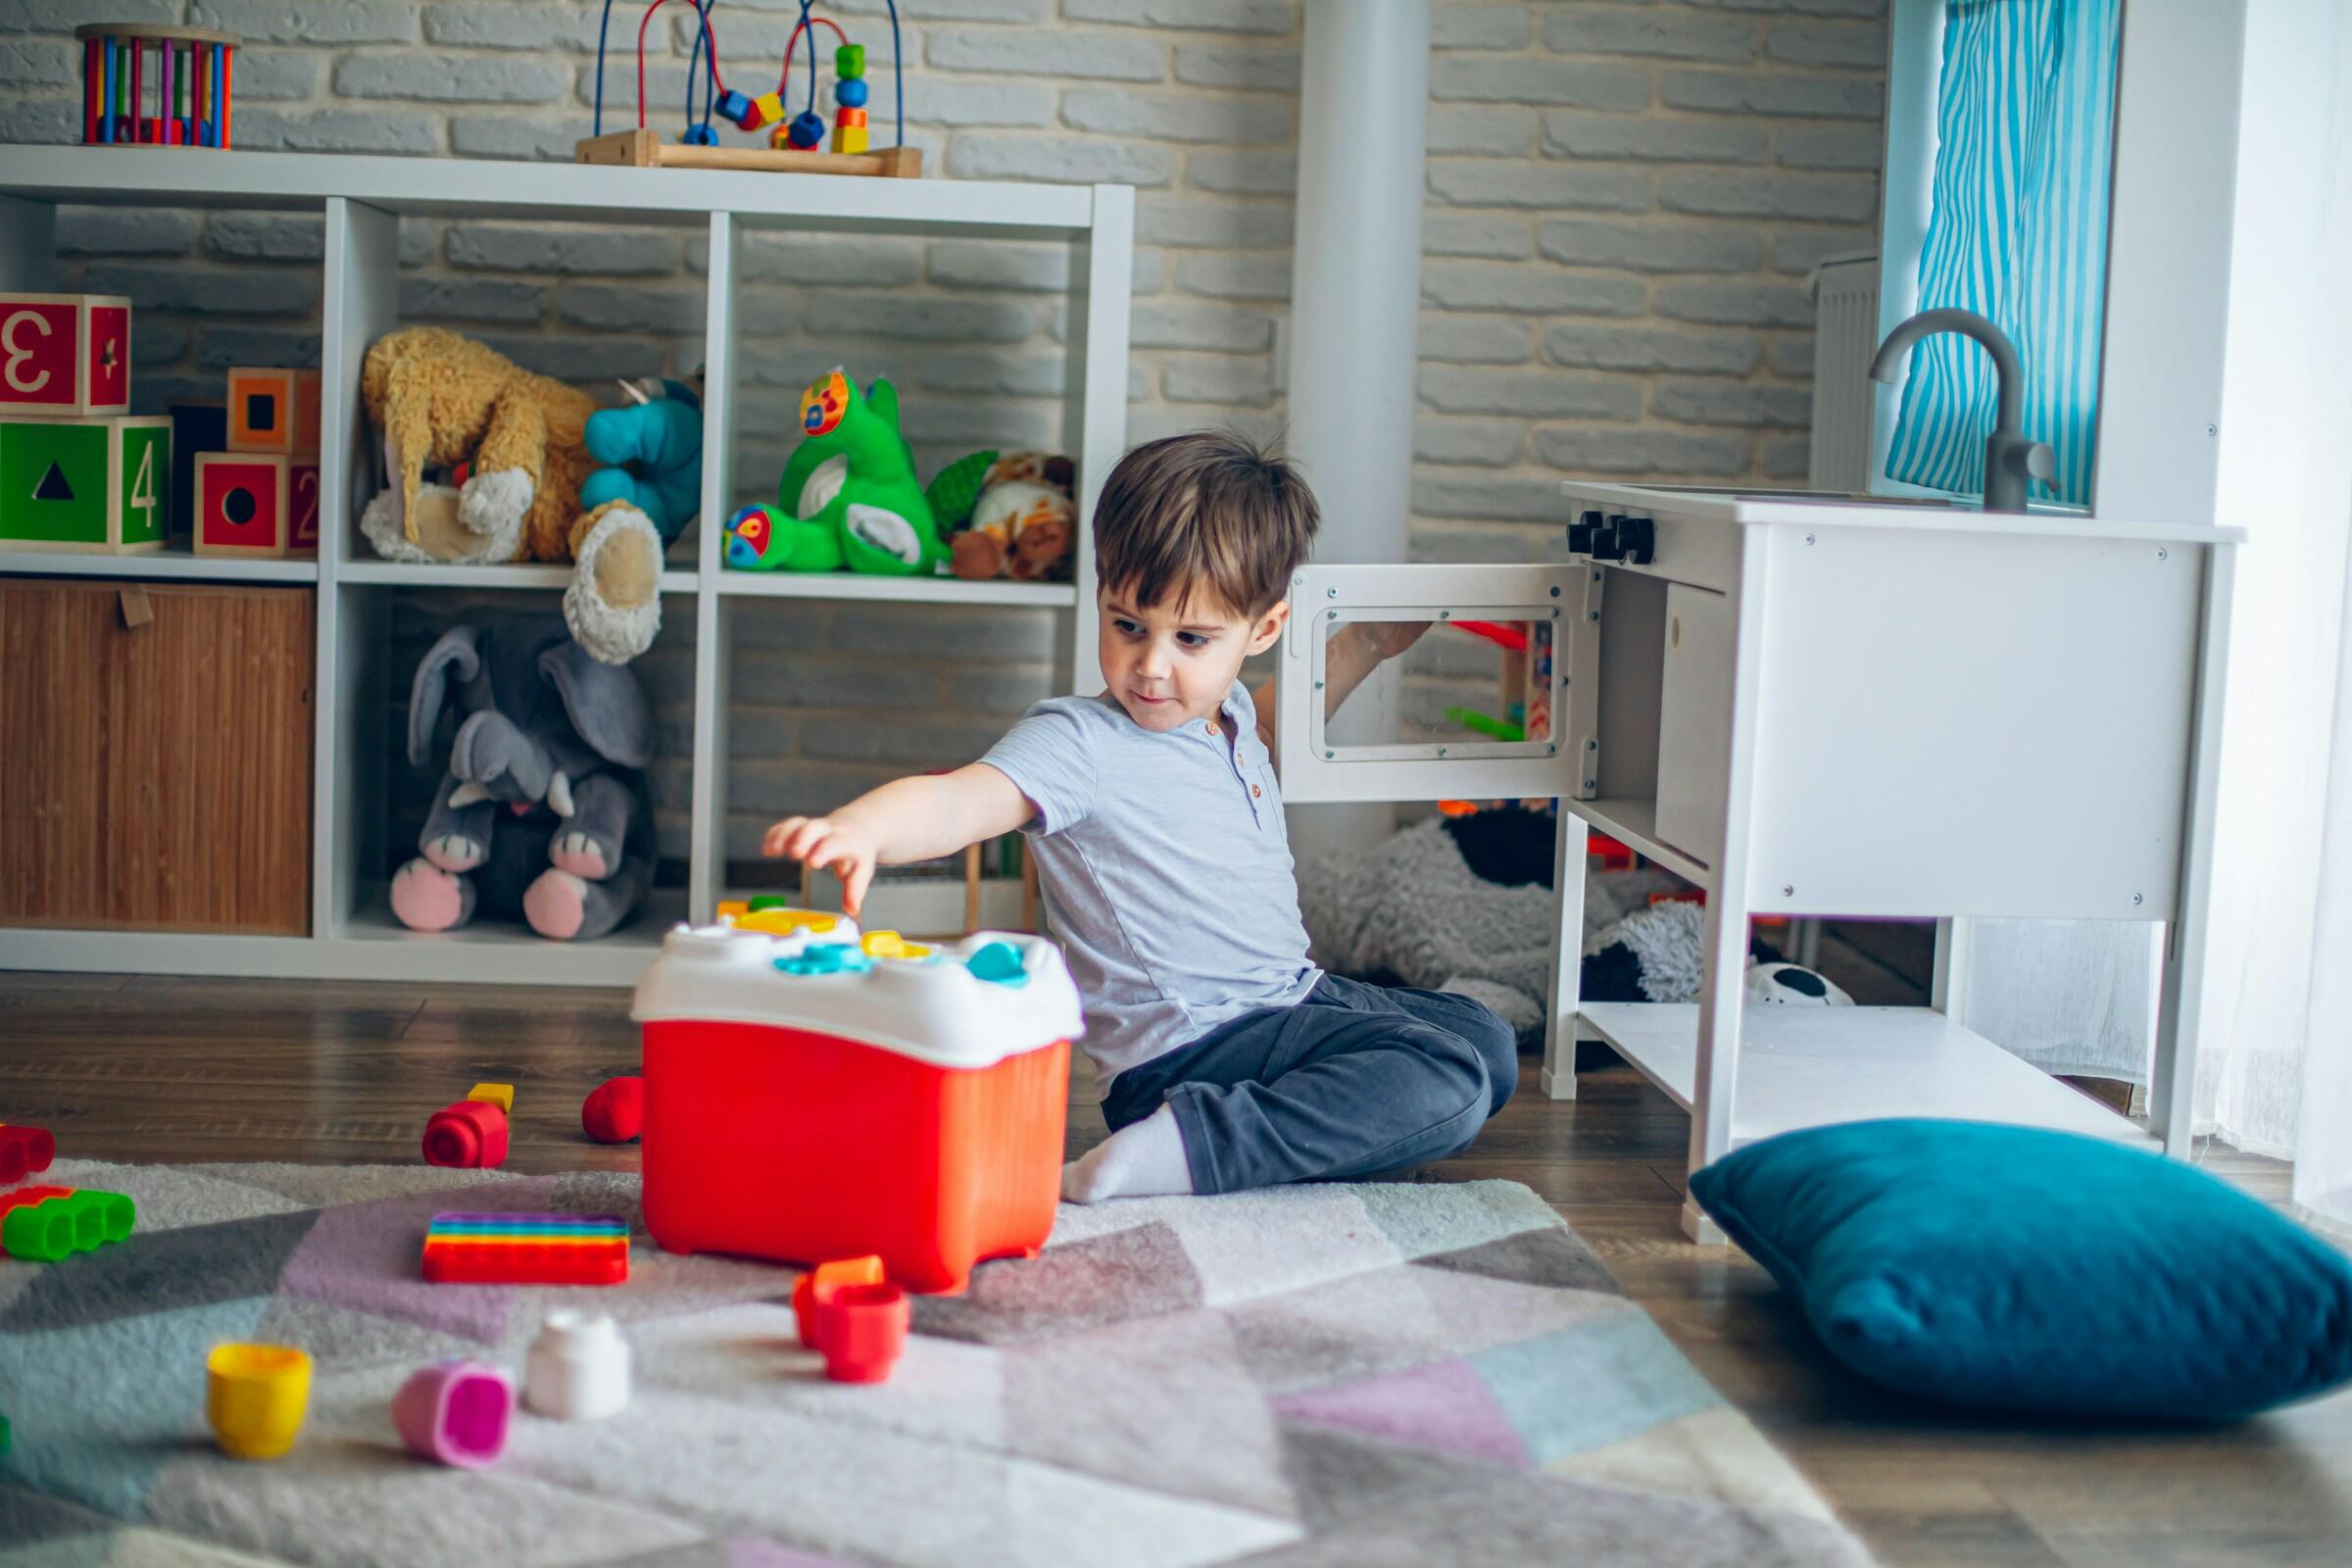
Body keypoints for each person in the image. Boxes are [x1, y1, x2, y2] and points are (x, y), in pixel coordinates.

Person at [762, 430, 1518, 1201]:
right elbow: (961, 797)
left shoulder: (1227, 716)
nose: (1151, 666)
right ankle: (1188, 1145)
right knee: (1451, 1081)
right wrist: (861, 829)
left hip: (1288, 997)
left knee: (1485, 1039)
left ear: (1264, 631)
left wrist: (1363, 644)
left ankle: (1263, 1129)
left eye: (1190, 638)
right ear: (1102, 597)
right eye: (1128, 625)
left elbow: (1278, 728)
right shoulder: (1079, 741)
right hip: (1193, 1050)